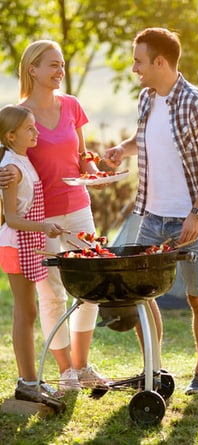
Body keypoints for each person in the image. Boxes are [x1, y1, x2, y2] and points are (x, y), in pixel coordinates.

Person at [104, 27, 198, 394]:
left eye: (139, 61)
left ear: (160, 61)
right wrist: (120, 151)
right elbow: (144, 138)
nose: (134, 69)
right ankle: (154, 371)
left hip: (192, 220)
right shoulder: (146, 98)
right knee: (140, 296)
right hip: (152, 216)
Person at [0, 40, 104, 391]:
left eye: (61, 65)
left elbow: (82, 154)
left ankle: (83, 365)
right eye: (53, 65)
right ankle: (65, 372)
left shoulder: (72, 106)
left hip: (78, 207)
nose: (60, 71)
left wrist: (92, 168)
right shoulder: (19, 115)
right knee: (52, 295)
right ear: (33, 69)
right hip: (39, 218)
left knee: (90, 288)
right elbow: (8, 160)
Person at [0, 104, 66, 401]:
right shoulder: (12, 169)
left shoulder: (22, 160)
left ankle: (30, 380)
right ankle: (27, 383)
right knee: (24, 313)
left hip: (26, 242)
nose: (36, 132)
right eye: (30, 129)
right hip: (16, 244)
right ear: (11, 136)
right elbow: (11, 218)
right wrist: (44, 226)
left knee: (29, 312)